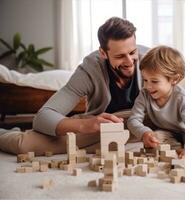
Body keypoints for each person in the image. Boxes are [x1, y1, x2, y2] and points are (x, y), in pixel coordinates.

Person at [0, 17, 148, 155]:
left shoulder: (151, 59)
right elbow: (43, 117)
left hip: (143, 123)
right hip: (101, 129)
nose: (129, 62)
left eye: (132, 52)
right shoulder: (90, 69)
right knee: (25, 145)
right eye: (120, 56)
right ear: (103, 53)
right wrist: (85, 125)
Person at [127, 45, 185, 164]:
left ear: (174, 79)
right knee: (156, 138)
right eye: (145, 80)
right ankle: (180, 148)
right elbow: (133, 120)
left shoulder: (183, 98)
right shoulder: (144, 95)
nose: (147, 86)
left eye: (154, 81)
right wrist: (144, 132)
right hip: (170, 133)